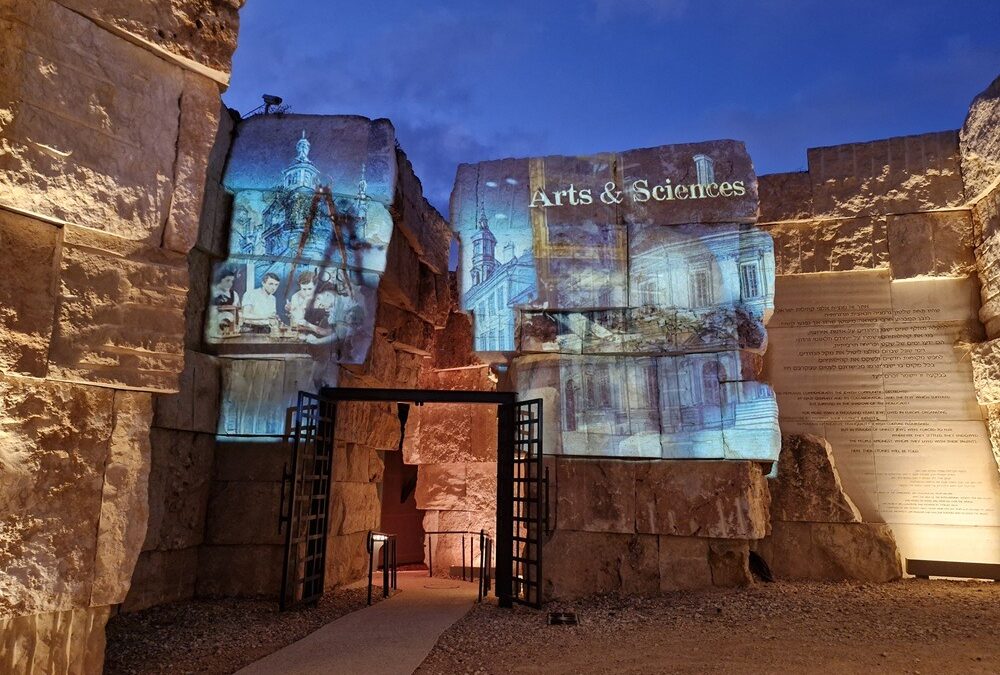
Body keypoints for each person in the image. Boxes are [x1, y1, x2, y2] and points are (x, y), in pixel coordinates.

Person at [207, 267, 240, 338]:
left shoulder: (234, 294)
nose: (230, 284)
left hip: (227, 327)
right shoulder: (211, 292)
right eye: (227, 280)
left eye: (232, 281)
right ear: (220, 280)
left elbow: (235, 312)